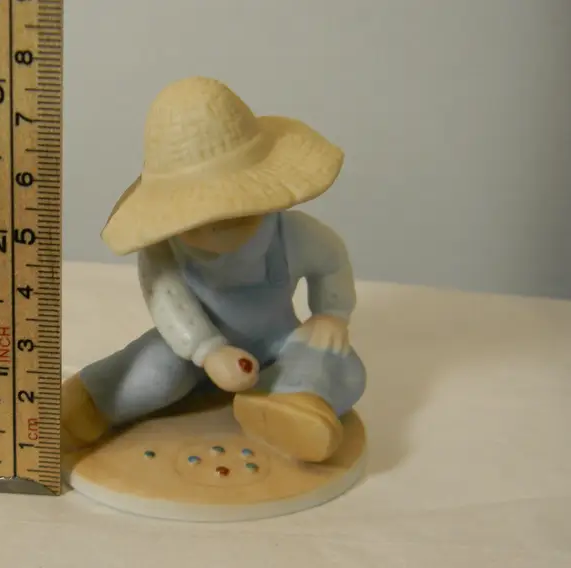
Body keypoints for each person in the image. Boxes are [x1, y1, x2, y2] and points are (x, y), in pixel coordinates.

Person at [61, 76, 367, 463]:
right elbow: (168, 302)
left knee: (339, 363)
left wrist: (330, 314)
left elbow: (332, 261)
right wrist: (208, 351)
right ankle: (90, 403)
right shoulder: (163, 250)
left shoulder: (292, 235)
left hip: (279, 342)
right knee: (155, 368)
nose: (217, 230)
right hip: (195, 348)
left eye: (234, 213)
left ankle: (292, 404)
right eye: (199, 220)